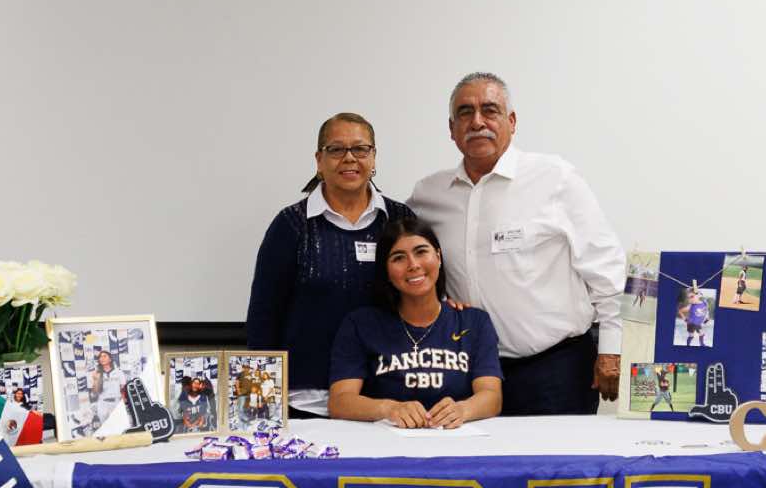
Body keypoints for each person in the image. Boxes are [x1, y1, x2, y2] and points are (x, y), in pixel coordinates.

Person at [408, 73, 624, 415]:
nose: (477, 121)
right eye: (465, 112)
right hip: (469, 373)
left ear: (511, 121)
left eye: (489, 110)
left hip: (555, 369)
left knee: (560, 453)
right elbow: (408, 260)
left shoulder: (555, 178)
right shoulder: (429, 195)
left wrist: (612, 348)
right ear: (452, 129)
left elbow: (605, 266)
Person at [246, 113, 416, 418]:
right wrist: (263, 407)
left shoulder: (399, 220)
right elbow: (263, 318)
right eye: (336, 149)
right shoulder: (291, 226)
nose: (349, 158)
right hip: (306, 402)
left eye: (360, 149)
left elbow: (422, 298)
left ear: (373, 157)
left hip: (386, 400)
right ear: (319, 160)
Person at [329, 216, 501, 430]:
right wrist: (388, 409)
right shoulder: (360, 324)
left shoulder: (474, 322)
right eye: (398, 258)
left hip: (457, 439)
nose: (413, 265)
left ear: (438, 256)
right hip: (386, 441)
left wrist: (463, 410)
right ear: (386, 271)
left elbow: (492, 396)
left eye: (421, 252)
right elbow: (339, 402)